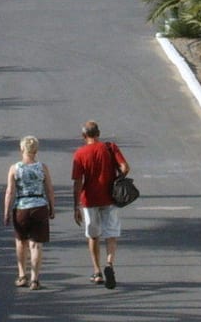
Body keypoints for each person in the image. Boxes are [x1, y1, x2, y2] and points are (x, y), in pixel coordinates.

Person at [71, 120, 129, 289]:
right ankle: (109, 264)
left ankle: (97, 272)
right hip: (110, 197)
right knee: (111, 234)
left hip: (89, 200)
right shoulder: (110, 148)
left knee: (93, 236)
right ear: (99, 134)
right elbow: (125, 167)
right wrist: (117, 180)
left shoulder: (80, 153)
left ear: (83, 135)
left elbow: (77, 181)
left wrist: (76, 206)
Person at [4, 135, 56, 290]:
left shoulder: (15, 168)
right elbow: (49, 189)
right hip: (39, 206)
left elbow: (10, 191)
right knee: (36, 244)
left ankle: (22, 275)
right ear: (36, 150)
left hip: (21, 207)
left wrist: (6, 212)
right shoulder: (42, 167)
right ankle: (35, 279)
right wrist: (52, 207)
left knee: (21, 242)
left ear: (22, 149)